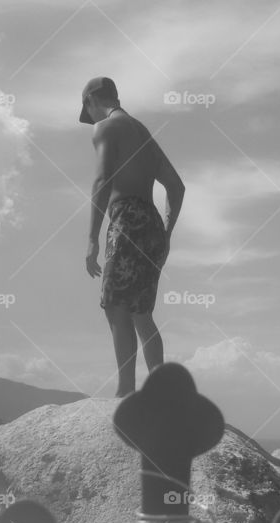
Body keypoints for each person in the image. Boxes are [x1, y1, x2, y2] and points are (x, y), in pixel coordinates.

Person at [81, 76, 185, 397]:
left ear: (91, 102)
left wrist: (92, 238)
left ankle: (125, 392)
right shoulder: (141, 132)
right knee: (142, 312)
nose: (91, 121)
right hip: (152, 223)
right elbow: (176, 187)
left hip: (125, 218)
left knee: (116, 306)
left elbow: (102, 181)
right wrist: (166, 233)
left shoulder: (106, 128)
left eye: (89, 112)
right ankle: (159, 390)